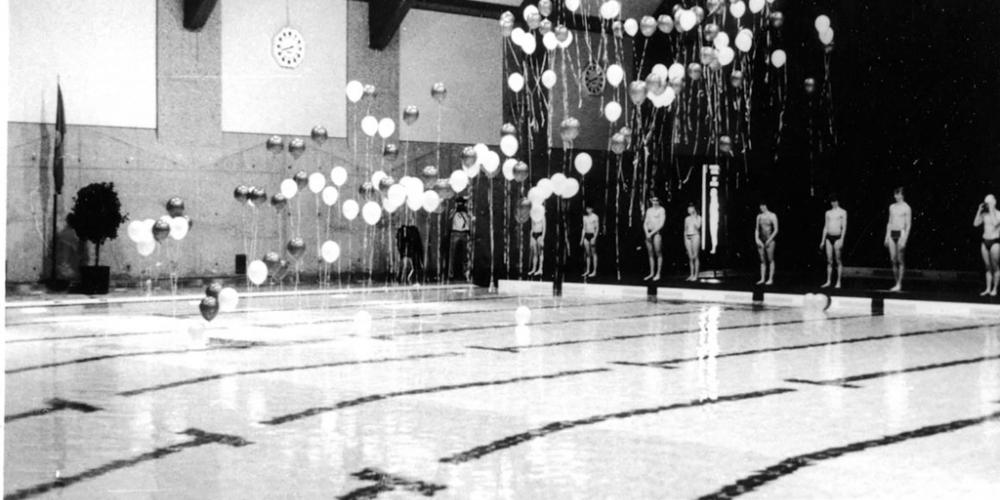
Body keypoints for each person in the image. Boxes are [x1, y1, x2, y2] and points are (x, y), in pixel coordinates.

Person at [884, 187, 911, 292]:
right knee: (892, 259)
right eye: (894, 194)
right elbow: (889, 222)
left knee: (900, 260)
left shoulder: (906, 208)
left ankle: (900, 283)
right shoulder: (892, 207)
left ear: (901, 195)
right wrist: (886, 236)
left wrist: (905, 239)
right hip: (892, 233)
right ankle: (896, 283)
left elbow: (908, 225)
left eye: (897, 194)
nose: (895, 196)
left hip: (901, 233)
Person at [973, 194, 1000, 296]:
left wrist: (992, 209)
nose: (987, 205)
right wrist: (979, 210)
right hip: (985, 241)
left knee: (995, 267)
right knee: (987, 267)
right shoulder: (985, 214)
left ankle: (995, 289)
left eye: (988, 202)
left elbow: (995, 223)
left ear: (994, 202)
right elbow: (975, 224)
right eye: (986, 203)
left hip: (995, 242)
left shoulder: (998, 214)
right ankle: (988, 288)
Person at [819, 196, 847, 288]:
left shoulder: (842, 212)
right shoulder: (828, 213)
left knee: (838, 260)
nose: (833, 203)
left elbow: (844, 227)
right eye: (832, 201)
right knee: (829, 260)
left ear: (838, 201)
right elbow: (825, 226)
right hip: (828, 238)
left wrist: (842, 239)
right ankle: (828, 281)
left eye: (835, 201)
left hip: (838, 237)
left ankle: (838, 282)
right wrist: (822, 240)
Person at [448, 198, 472, 282]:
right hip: (455, 233)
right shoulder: (453, 212)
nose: (460, 205)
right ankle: (451, 274)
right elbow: (449, 217)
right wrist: (455, 208)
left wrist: (467, 210)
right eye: (459, 203)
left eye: (462, 203)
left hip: (465, 233)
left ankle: (466, 274)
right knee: (452, 255)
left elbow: (471, 219)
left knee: (465, 255)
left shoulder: (466, 213)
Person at [755, 201, 778, 285]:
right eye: (760, 206)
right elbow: (757, 229)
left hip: (770, 239)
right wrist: (757, 239)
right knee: (762, 260)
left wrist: (769, 240)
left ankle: (770, 278)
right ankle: (762, 278)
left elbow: (776, 230)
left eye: (762, 206)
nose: (761, 208)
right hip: (761, 239)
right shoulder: (759, 216)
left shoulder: (772, 215)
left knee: (770, 259)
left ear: (765, 206)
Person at [643, 197, 666, 281]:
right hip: (648, 233)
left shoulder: (661, 210)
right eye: (653, 200)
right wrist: (646, 232)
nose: (655, 202)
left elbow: (661, 224)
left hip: (656, 233)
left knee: (658, 252)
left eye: (656, 200)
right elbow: (645, 222)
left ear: (659, 201)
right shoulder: (649, 210)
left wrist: (652, 233)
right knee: (650, 254)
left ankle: (658, 273)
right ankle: (651, 273)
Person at [580, 204, 599, 278]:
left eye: (589, 208)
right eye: (587, 208)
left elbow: (597, 228)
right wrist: (582, 239)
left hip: (592, 235)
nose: (588, 210)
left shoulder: (595, 216)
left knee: (594, 253)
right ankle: (588, 270)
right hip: (586, 236)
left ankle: (594, 271)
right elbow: (584, 228)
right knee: (587, 254)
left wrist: (595, 237)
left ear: (592, 209)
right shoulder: (584, 217)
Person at [684, 204, 702, 281]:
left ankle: (696, 275)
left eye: (690, 208)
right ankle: (691, 274)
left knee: (695, 256)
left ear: (694, 208)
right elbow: (685, 230)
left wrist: (694, 217)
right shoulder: (687, 219)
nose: (688, 209)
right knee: (690, 257)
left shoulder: (699, 217)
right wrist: (685, 239)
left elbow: (698, 226)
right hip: (688, 237)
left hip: (695, 236)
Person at [528, 208, 546, 277]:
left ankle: (540, 269)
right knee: (535, 253)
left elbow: (544, 228)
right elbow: (532, 227)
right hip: (534, 235)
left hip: (540, 234)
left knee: (540, 252)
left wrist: (542, 238)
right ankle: (534, 269)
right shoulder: (533, 216)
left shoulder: (542, 216)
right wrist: (530, 238)